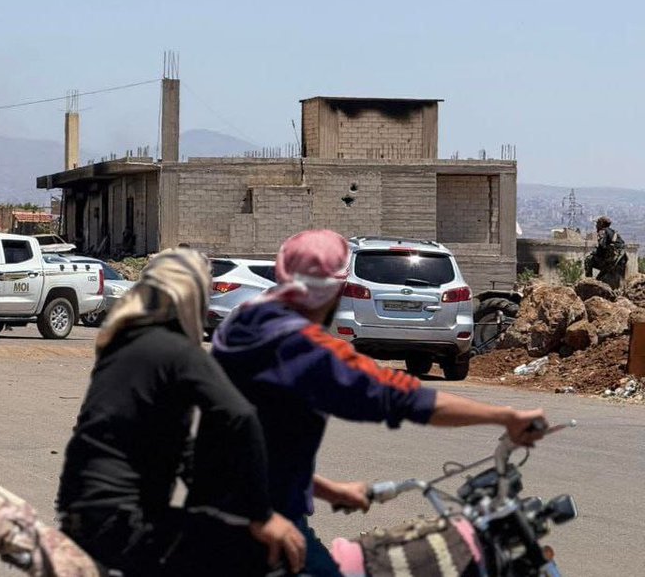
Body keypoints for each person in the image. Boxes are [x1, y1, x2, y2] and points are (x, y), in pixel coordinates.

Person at [189, 230, 548, 576]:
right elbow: (400, 396)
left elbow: (255, 439)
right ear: (337, 288)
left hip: (213, 510)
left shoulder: (243, 324)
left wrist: (329, 489)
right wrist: (504, 416)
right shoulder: (307, 351)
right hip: (262, 523)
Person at [56, 249, 306, 576]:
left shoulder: (120, 346)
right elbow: (241, 418)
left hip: (83, 519)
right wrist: (262, 515)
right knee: (272, 554)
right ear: (191, 296)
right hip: (125, 523)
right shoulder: (176, 349)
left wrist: (214, 491)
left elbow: (165, 442)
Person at [584, 216, 627, 289]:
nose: (596, 226)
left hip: (610, 262)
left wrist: (596, 254)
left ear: (601, 224)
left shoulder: (602, 231)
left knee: (589, 259)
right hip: (621, 262)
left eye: (597, 223)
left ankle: (589, 281)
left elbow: (602, 246)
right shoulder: (615, 233)